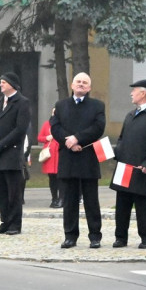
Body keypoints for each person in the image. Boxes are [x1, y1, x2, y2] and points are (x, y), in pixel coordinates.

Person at [111, 79, 146, 249]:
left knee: (142, 203)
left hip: (141, 168)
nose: (131, 93)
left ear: (143, 93)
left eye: (134, 90)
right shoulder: (130, 114)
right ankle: (120, 237)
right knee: (122, 203)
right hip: (124, 166)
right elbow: (121, 139)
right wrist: (116, 154)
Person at [52, 72, 106, 248]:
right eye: (78, 82)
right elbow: (55, 126)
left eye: (85, 82)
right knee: (69, 201)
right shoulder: (60, 105)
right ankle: (70, 235)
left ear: (89, 87)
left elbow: (98, 128)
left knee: (91, 200)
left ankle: (95, 236)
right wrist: (68, 141)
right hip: (68, 158)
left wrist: (77, 138)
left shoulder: (97, 105)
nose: (81, 84)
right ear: (72, 85)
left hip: (87, 157)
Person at [0, 72, 31, 235]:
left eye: (4, 82)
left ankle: (14, 224)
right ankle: (5, 221)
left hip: (11, 154)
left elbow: (20, 129)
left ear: (12, 84)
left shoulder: (22, 103)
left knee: (14, 192)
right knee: (0, 191)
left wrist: (0, 145)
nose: (1, 84)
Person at [38, 110, 61, 207]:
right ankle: (54, 198)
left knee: (61, 178)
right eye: (53, 112)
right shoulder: (47, 124)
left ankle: (61, 199)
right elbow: (39, 138)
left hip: (60, 154)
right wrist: (47, 138)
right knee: (52, 178)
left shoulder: (63, 124)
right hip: (50, 155)